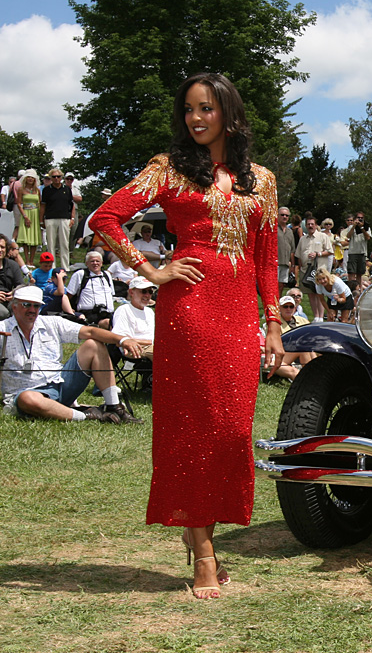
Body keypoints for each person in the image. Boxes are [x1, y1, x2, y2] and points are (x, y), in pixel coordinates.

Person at [90, 72, 285, 600]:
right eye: (189, 110)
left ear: (229, 113)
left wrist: (272, 324)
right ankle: (203, 552)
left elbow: (266, 258)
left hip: (241, 313)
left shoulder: (261, 180)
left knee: (227, 431)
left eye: (206, 109)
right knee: (193, 428)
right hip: (190, 313)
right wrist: (150, 270)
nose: (195, 119)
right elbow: (105, 218)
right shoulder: (169, 170)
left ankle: (200, 529)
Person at [0, 286, 142, 424]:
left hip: (60, 383)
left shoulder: (51, 322)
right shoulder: (2, 329)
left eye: (36, 306)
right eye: (26, 305)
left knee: (94, 344)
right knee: (28, 399)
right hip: (28, 392)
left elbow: (90, 332)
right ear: (14, 306)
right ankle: (87, 415)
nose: (32, 310)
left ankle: (114, 407)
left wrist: (122, 340)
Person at [264, 295, 315, 381]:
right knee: (302, 348)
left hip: (306, 352)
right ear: (279, 308)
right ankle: (310, 379)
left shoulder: (303, 321)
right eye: (285, 306)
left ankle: (313, 374)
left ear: (295, 308)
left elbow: (312, 338)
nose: (288, 309)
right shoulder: (273, 325)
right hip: (283, 353)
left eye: (291, 307)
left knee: (307, 348)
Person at [40, 167, 79, 270]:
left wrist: (72, 218)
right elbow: (43, 206)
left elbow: (72, 205)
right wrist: (41, 220)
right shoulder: (46, 190)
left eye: (58, 176)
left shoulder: (67, 189)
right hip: (50, 218)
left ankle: (65, 267)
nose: (56, 178)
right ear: (51, 178)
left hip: (65, 219)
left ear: (61, 177)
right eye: (54, 177)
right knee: (51, 244)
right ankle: (51, 267)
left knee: (64, 243)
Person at [66, 250, 116, 327]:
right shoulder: (80, 274)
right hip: (89, 313)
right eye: (92, 261)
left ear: (102, 263)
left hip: (107, 312)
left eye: (97, 261)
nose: (95, 263)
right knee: (109, 323)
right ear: (87, 263)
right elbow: (69, 294)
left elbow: (111, 293)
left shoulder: (107, 275)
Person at [111, 276, 156, 360]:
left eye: (150, 292)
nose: (147, 295)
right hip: (134, 348)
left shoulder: (149, 311)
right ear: (131, 292)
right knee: (164, 354)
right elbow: (120, 339)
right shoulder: (124, 310)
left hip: (152, 346)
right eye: (143, 291)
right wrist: (151, 342)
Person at [15, 169, 42, 266]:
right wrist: (25, 216)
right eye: (28, 177)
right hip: (26, 212)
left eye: (32, 177)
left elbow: (40, 203)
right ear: (25, 178)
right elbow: (18, 203)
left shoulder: (37, 190)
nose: (30, 179)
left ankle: (32, 260)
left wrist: (40, 217)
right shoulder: (21, 189)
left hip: (35, 214)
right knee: (26, 238)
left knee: (34, 237)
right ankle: (26, 260)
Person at [340, 211, 371, 287]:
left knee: (359, 274)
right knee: (351, 273)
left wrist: (362, 228)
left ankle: (359, 290)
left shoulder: (367, 228)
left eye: (361, 218)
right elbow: (348, 236)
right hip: (352, 252)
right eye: (358, 218)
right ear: (355, 219)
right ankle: (351, 290)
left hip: (362, 252)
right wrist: (354, 226)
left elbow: (368, 237)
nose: (360, 219)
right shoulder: (351, 227)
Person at [0, 233, 26, 319]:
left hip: (9, 300)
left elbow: (21, 285)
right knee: (3, 313)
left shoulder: (12, 265)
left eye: (2, 247)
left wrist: (14, 293)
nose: (0, 250)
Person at [276, 205, 295, 294]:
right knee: (273, 284)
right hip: (275, 262)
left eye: (286, 215)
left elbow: (292, 249)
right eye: (282, 215)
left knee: (281, 285)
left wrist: (293, 265)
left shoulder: (290, 231)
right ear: (277, 215)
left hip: (286, 263)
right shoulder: (273, 229)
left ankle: (278, 303)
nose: (284, 217)